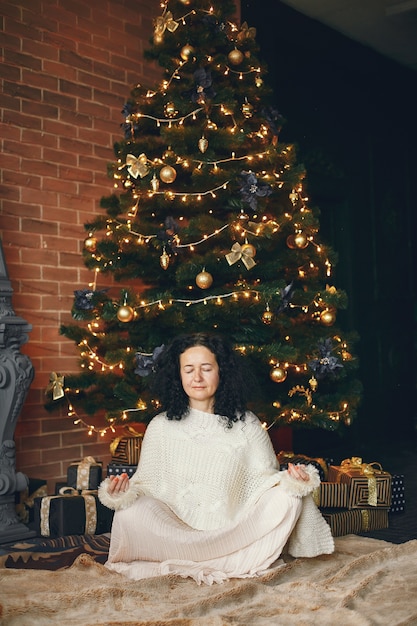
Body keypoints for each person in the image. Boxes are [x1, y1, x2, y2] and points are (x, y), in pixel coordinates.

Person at [98, 332, 334, 584]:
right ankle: (228, 563)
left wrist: (293, 481)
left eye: (206, 368)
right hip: (174, 534)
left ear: (222, 372)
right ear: (178, 375)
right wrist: (120, 492)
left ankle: (225, 558)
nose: (197, 378)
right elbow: (146, 487)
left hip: (232, 533)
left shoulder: (247, 424)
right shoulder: (160, 426)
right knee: (129, 511)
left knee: (288, 497)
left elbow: (265, 483)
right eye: (188, 369)